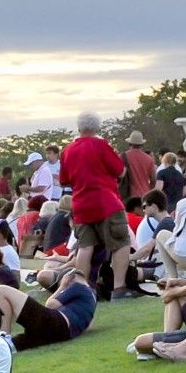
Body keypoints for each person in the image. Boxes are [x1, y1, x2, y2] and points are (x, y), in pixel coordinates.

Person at [61, 112, 138, 299]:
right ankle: (119, 288)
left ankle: (83, 290)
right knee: (120, 242)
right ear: (97, 128)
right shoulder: (101, 145)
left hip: (80, 205)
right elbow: (119, 171)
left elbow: (64, 181)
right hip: (106, 202)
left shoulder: (68, 151)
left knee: (85, 247)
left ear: (79, 128)